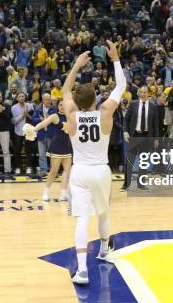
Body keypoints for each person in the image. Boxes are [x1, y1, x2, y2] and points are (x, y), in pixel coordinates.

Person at [62, 40, 125, 285]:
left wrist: (76, 66)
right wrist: (116, 58)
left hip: (80, 171)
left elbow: (65, 91)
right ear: (95, 99)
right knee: (103, 213)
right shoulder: (105, 113)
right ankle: (103, 250)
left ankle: (82, 270)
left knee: (82, 218)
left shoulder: (72, 114)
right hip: (101, 170)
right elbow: (121, 85)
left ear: (78, 101)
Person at [32, 100, 72, 201]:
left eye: (64, 105)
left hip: (67, 146)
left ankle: (63, 193)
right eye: (60, 105)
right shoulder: (54, 116)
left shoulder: (71, 116)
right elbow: (43, 124)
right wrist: (33, 130)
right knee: (53, 171)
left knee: (67, 171)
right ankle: (46, 192)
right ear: (57, 106)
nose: (62, 107)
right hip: (56, 146)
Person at [122, 86, 160, 190]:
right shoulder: (133, 104)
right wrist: (125, 132)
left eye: (145, 92)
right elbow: (126, 120)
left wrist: (156, 138)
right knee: (130, 160)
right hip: (134, 136)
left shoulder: (153, 106)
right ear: (139, 93)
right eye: (141, 92)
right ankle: (126, 184)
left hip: (146, 137)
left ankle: (141, 184)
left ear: (149, 94)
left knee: (143, 161)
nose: (143, 94)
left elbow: (155, 124)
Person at [11, 92, 34, 175]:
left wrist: (27, 114)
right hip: (18, 132)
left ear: (25, 97)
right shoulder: (14, 108)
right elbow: (13, 121)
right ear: (17, 98)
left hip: (28, 132)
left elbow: (33, 119)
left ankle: (29, 167)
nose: (21, 98)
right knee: (17, 151)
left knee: (29, 151)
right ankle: (17, 168)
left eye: (23, 96)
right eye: (19, 96)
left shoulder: (30, 106)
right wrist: (22, 115)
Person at [32, 93, 54, 177]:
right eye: (46, 99)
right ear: (43, 100)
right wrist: (41, 120)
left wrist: (49, 118)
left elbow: (56, 119)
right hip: (41, 134)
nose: (48, 101)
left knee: (52, 154)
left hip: (51, 134)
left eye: (49, 99)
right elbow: (34, 119)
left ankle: (53, 171)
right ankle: (43, 170)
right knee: (41, 154)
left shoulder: (53, 108)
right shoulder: (38, 109)